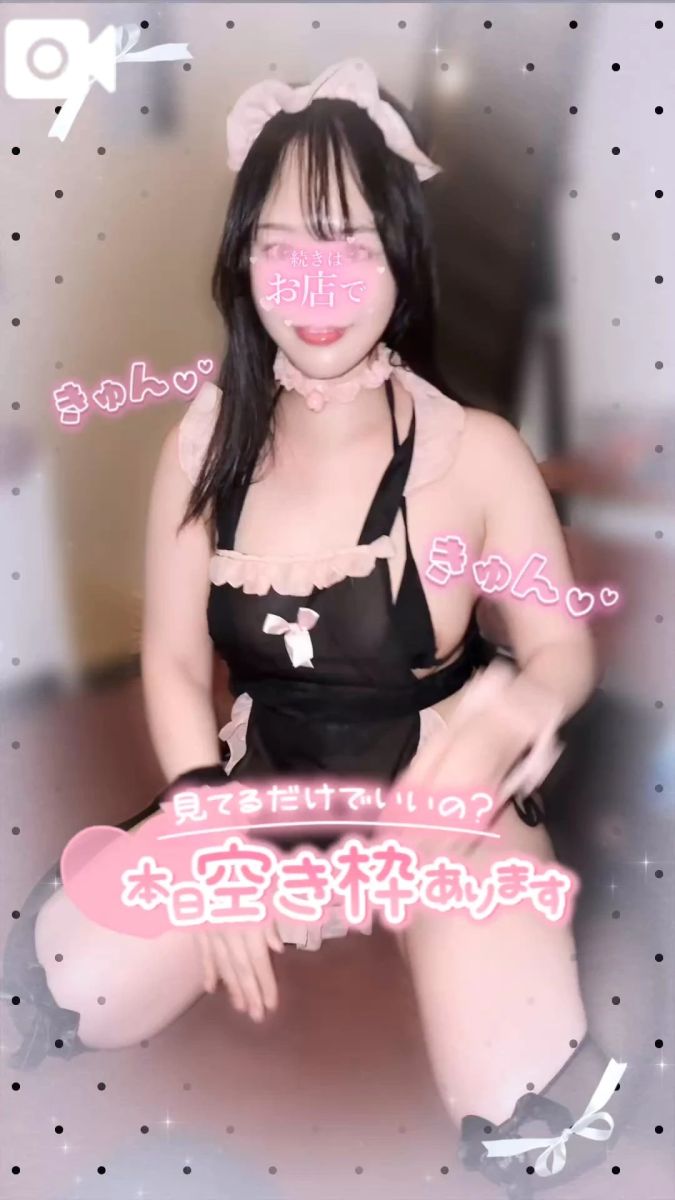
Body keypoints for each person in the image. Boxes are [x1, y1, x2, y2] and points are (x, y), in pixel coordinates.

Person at [1, 58, 627, 1198]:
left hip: (444, 797)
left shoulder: (472, 453)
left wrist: (509, 722)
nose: (314, 284)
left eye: (349, 244)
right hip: (268, 781)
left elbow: (560, 648)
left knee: (525, 1119)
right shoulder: (205, 444)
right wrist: (207, 835)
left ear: (401, 256)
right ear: (242, 263)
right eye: (280, 246)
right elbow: (175, 659)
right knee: (71, 983)